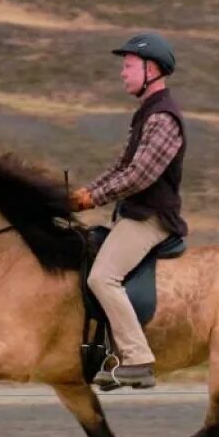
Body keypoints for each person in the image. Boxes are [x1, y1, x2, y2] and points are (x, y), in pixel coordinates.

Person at [69, 32, 188, 390]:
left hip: (151, 219)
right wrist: (86, 192)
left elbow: (140, 175)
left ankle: (137, 359)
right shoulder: (145, 115)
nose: (123, 73)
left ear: (151, 69)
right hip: (132, 213)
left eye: (128, 66)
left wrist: (95, 198)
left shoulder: (164, 118)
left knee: (101, 277)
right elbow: (122, 166)